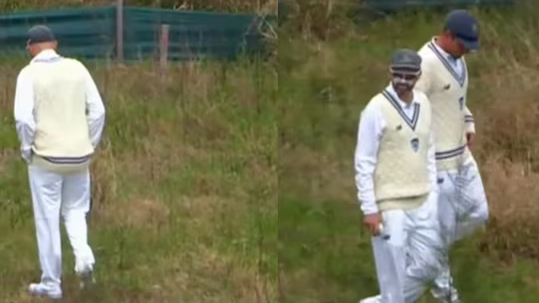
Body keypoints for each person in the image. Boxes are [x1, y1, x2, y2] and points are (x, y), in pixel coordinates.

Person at [13, 25, 106, 300]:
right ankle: (84, 258)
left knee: (47, 219)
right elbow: (98, 111)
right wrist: (89, 143)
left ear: (31, 47)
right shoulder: (78, 68)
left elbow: (23, 119)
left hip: (46, 158)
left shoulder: (28, 73)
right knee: (76, 212)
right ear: (54, 43)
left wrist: (27, 148)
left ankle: (52, 284)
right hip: (79, 157)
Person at [355, 49, 444, 303]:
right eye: (398, 75)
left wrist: (433, 197)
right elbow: (364, 161)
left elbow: (429, 149)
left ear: (418, 76)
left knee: (429, 265)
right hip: (390, 203)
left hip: (423, 200)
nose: (403, 81)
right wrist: (369, 208)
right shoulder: (375, 108)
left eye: (409, 76)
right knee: (391, 277)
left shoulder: (424, 103)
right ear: (389, 73)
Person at [414, 9, 489, 303]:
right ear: (447, 35)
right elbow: (411, 108)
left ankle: (423, 247)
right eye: (464, 44)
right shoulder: (425, 64)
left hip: (463, 156)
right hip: (439, 162)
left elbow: (456, 101)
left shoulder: (458, 60)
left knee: (479, 212)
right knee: (442, 228)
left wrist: (467, 122)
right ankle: (444, 293)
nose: (468, 50)